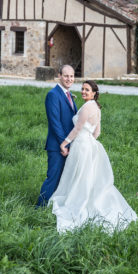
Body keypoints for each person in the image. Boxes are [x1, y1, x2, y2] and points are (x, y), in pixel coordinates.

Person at [49, 80, 138, 233]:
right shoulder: (96, 107)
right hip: (89, 144)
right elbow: (97, 132)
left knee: (79, 175)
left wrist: (64, 144)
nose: (83, 92)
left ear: (94, 93)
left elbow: (77, 129)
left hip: (81, 145)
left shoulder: (87, 107)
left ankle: (78, 202)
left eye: (87, 90)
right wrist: (88, 140)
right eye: (82, 89)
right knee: (87, 175)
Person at [36, 65, 78, 207]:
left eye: (71, 76)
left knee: (64, 178)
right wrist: (64, 143)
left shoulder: (68, 95)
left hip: (68, 144)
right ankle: (39, 207)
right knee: (53, 177)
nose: (69, 79)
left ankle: (56, 205)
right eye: (66, 76)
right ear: (59, 75)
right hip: (57, 145)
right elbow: (55, 122)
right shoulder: (53, 94)